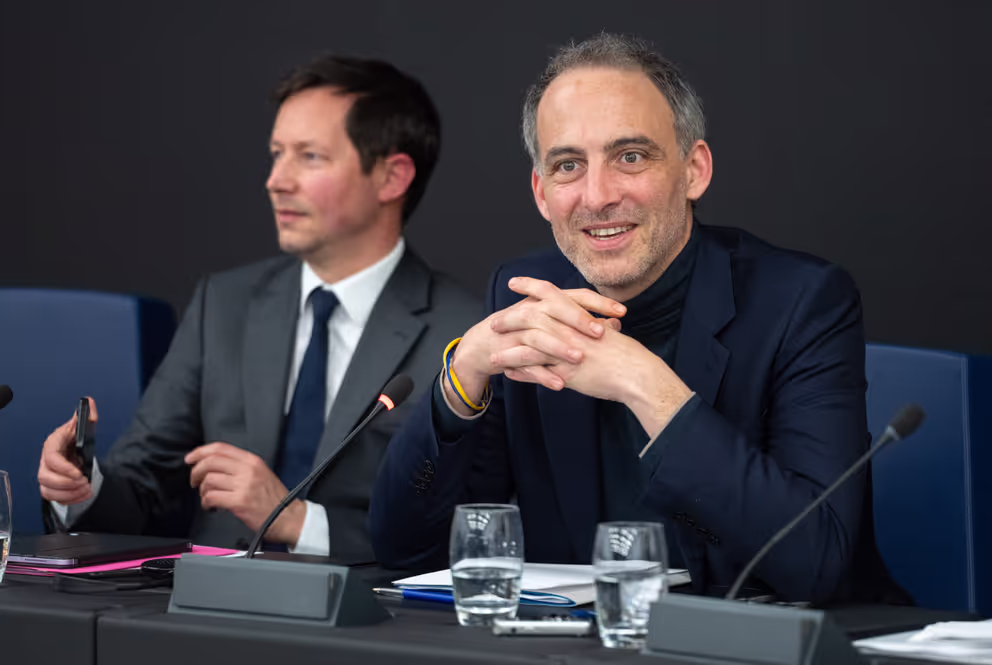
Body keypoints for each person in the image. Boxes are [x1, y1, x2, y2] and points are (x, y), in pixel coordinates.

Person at [370, 33, 909, 603]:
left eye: (631, 157)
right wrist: (463, 377)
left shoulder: (801, 301)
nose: (597, 196)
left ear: (694, 170)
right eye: (568, 165)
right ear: (541, 192)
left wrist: (645, 386)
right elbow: (409, 552)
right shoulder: (526, 299)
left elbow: (814, 562)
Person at [36, 55, 483, 563]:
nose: (276, 181)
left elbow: (470, 532)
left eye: (309, 157)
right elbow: (141, 493)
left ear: (391, 177)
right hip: (203, 619)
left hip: (372, 627)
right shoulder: (224, 306)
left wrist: (298, 522)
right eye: (276, 155)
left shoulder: (464, 334)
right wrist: (81, 486)